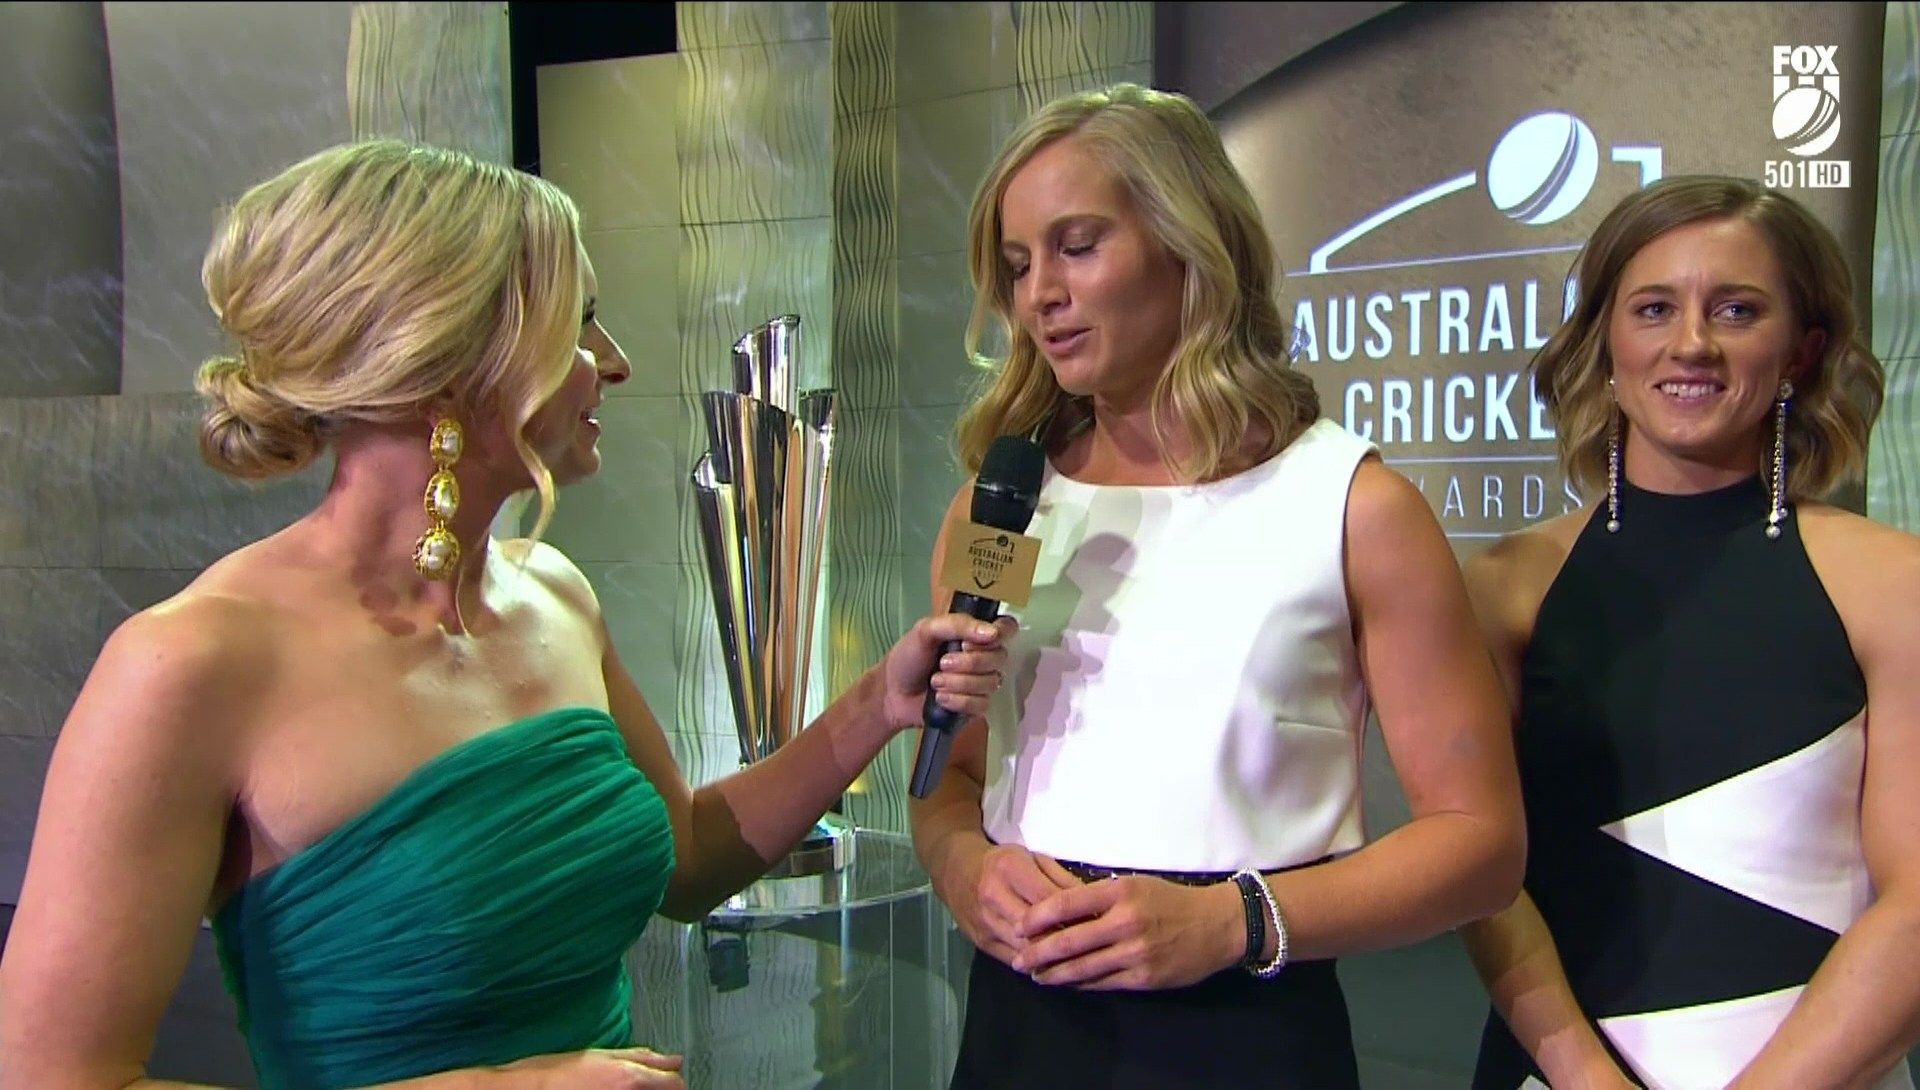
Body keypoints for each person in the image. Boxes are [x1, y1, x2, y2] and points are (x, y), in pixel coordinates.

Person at [0, 140, 1012, 1090]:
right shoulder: (190, 663)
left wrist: (876, 707)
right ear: (448, 356)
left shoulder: (553, 591)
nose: (615, 361)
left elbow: (689, 859)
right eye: (580, 325)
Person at [906, 82, 1527, 1089]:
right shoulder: (1006, 506)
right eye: (1018, 266)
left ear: (1186, 242)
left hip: (1247, 1031)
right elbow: (948, 774)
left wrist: (1233, 921)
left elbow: (1481, 844)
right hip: (1021, 1025)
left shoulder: (1354, 507)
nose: (1039, 294)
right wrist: (964, 869)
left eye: (1077, 246)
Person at [1462, 176, 1920, 1090]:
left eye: (1738, 310)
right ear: (1605, 343)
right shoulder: (1503, 589)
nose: (1692, 343)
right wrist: (1585, 1078)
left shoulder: (1891, 584)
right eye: (1654, 308)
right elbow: (1479, 873)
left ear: (1801, 351)